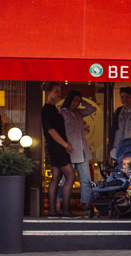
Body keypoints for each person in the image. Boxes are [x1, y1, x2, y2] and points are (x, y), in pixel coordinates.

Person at [41, 82, 76, 217]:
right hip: (56, 146)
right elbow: (51, 130)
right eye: (56, 91)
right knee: (71, 176)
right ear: (48, 92)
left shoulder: (53, 109)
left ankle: (52, 210)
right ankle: (65, 209)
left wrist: (67, 143)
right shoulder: (47, 109)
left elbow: (58, 130)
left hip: (56, 146)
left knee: (56, 177)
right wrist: (65, 145)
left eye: (59, 91)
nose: (59, 94)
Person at [60, 90, 97, 213]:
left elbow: (92, 109)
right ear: (69, 100)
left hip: (82, 151)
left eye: (78, 101)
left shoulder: (78, 113)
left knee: (86, 179)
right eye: (74, 100)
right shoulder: (62, 113)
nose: (76, 103)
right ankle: (62, 202)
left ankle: (86, 203)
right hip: (69, 151)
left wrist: (83, 100)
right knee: (67, 179)